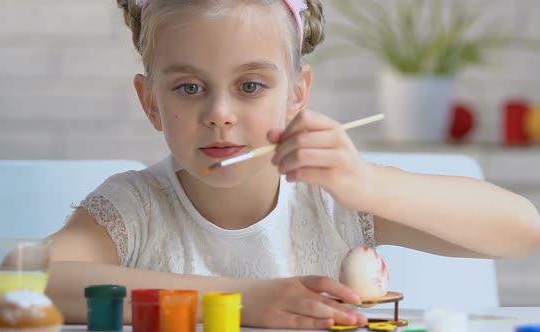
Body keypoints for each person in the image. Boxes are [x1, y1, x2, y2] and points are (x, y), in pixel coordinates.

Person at [45, 0, 540, 329]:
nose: (219, 114)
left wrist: (367, 184)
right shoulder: (136, 205)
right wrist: (242, 302)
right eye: (189, 88)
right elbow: (37, 280)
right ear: (150, 101)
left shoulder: (334, 199)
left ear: (297, 94)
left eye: (251, 86)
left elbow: (521, 230)